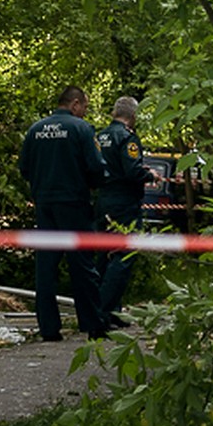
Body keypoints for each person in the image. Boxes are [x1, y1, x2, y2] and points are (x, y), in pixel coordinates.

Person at [17, 85, 109, 340]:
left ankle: (49, 329)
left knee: (46, 266)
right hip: (74, 203)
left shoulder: (34, 130)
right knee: (82, 264)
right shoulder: (81, 129)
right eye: (85, 107)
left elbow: (24, 167)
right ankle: (93, 325)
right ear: (76, 103)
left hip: (44, 204)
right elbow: (96, 167)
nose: (84, 112)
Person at [95, 95, 164, 326]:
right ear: (133, 116)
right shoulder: (127, 137)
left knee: (104, 256)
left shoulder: (100, 136)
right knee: (124, 255)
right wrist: (150, 175)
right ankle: (102, 313)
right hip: (124, 202)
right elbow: (132, 171)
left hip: (103, 199)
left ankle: (111, 312)